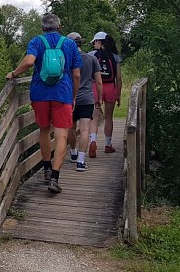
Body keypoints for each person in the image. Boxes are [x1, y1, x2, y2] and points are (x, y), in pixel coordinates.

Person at [6, 13, 81, 193]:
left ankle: (46, 167)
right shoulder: (70, 44)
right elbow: (77, 74)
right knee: (62, 135)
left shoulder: (37, 42)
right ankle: (55, 177)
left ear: (43, 27)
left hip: (40, 94)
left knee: (45, 130)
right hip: (62, 94)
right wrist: (73, 96)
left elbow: (29, 61)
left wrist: (14, 74)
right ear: (59, 26)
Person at [66, 33, 102, 171]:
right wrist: (99, 98)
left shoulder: (66, 59)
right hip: (87, 97)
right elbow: (98, 81)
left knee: (71, 127)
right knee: (85, 129)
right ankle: (81, 162)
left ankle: (73, 153)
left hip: (70, 98)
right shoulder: (91, 58)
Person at [89, 32, 122, 155]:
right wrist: (118, 94)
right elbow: (118, 78)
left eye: (94, 42)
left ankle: (93, 141)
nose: (93, 45)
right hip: (110, 88)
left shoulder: (92, 55)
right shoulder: (115, 57)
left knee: (94, 117)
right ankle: (108, 145)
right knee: (109, 117)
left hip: (95, 87)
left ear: (99, 42)